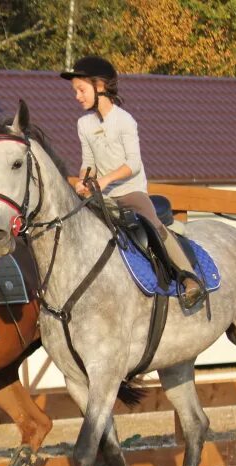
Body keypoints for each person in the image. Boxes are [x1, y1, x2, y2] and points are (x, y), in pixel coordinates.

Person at [61, 55, 204, 309]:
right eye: (76, 91)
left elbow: (133, 164)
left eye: (81, 90)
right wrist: (83, 180)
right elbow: (88, 160)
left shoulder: (124, 121)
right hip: (101, 195)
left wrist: (104, 180)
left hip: (130, 191)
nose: (77, 96)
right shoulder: (83, 123)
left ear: (100, 87)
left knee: (154, 224)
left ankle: (188, 279)